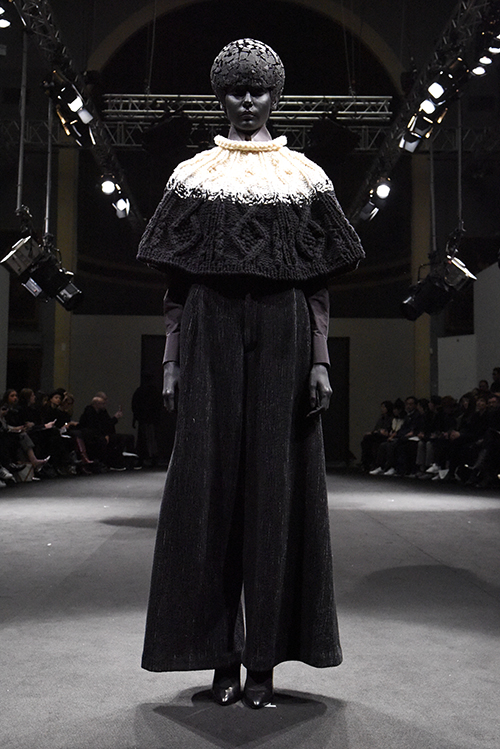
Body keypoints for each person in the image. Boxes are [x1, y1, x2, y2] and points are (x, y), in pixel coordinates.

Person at [136, 39, 364, 709]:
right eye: (235, 89)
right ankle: (218, 656)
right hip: (208, 326)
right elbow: (175, 287)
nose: (246, 101)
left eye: (257, 89)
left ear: (275, 96)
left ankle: (263, 657)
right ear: (220, 95)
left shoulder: (304, 176)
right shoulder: (193, 175)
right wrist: (172, 360)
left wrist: (321, 359)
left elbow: (318, 284)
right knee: (205, 490)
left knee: (277, 489)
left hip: (285, 330)